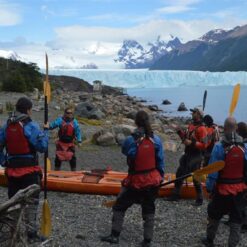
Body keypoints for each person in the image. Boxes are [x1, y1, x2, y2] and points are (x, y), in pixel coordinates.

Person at [101, 110, 165, 247]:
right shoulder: (157, 140)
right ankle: (147, 241)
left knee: (119, 206)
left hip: (135, 181)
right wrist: (161, 179)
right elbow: (160, 161)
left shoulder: (131, 140)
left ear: (136, 122)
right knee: (149, 210)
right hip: (152, 181)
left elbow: (125, 151)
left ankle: (114, 236)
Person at [0, 97, 49, 242]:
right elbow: (42, 147)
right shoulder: (31, 125)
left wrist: (4, 162)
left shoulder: (6, 125)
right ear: (28, 110)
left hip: (12, 172)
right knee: (32, 203)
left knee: (13, 202)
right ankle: (31, 235)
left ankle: (13, 231)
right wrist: (45, 132)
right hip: (29, 171)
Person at [202, 117, 247, 247]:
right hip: (239, 190)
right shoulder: (244, 148)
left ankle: (209, 240)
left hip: (222, 190)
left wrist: (210, 188)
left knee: (214, 214)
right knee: (236, 219)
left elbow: (213, 172)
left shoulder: (219, 147)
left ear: (225, 128)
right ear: (236, 129)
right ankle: (232, 245)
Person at [166, 107, 208, 206]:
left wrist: (192, 143)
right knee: (179, 173)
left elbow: (205, 144)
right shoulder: (191, 125)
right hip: (187, 154)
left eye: (194, 112)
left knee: (195, 177)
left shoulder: (202, 129)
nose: (192, 113)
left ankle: (200, 199)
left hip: (196, 155)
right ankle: (176, 195)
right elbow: (185, 139)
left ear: (198, 114)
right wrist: (179, 132)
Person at [236, 122, 247, 233]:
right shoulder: (242, 144)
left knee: (242, 200)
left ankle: (244, 225)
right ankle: (234, 219)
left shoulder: (243, 146)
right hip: (242, 175)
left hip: (244, 176)